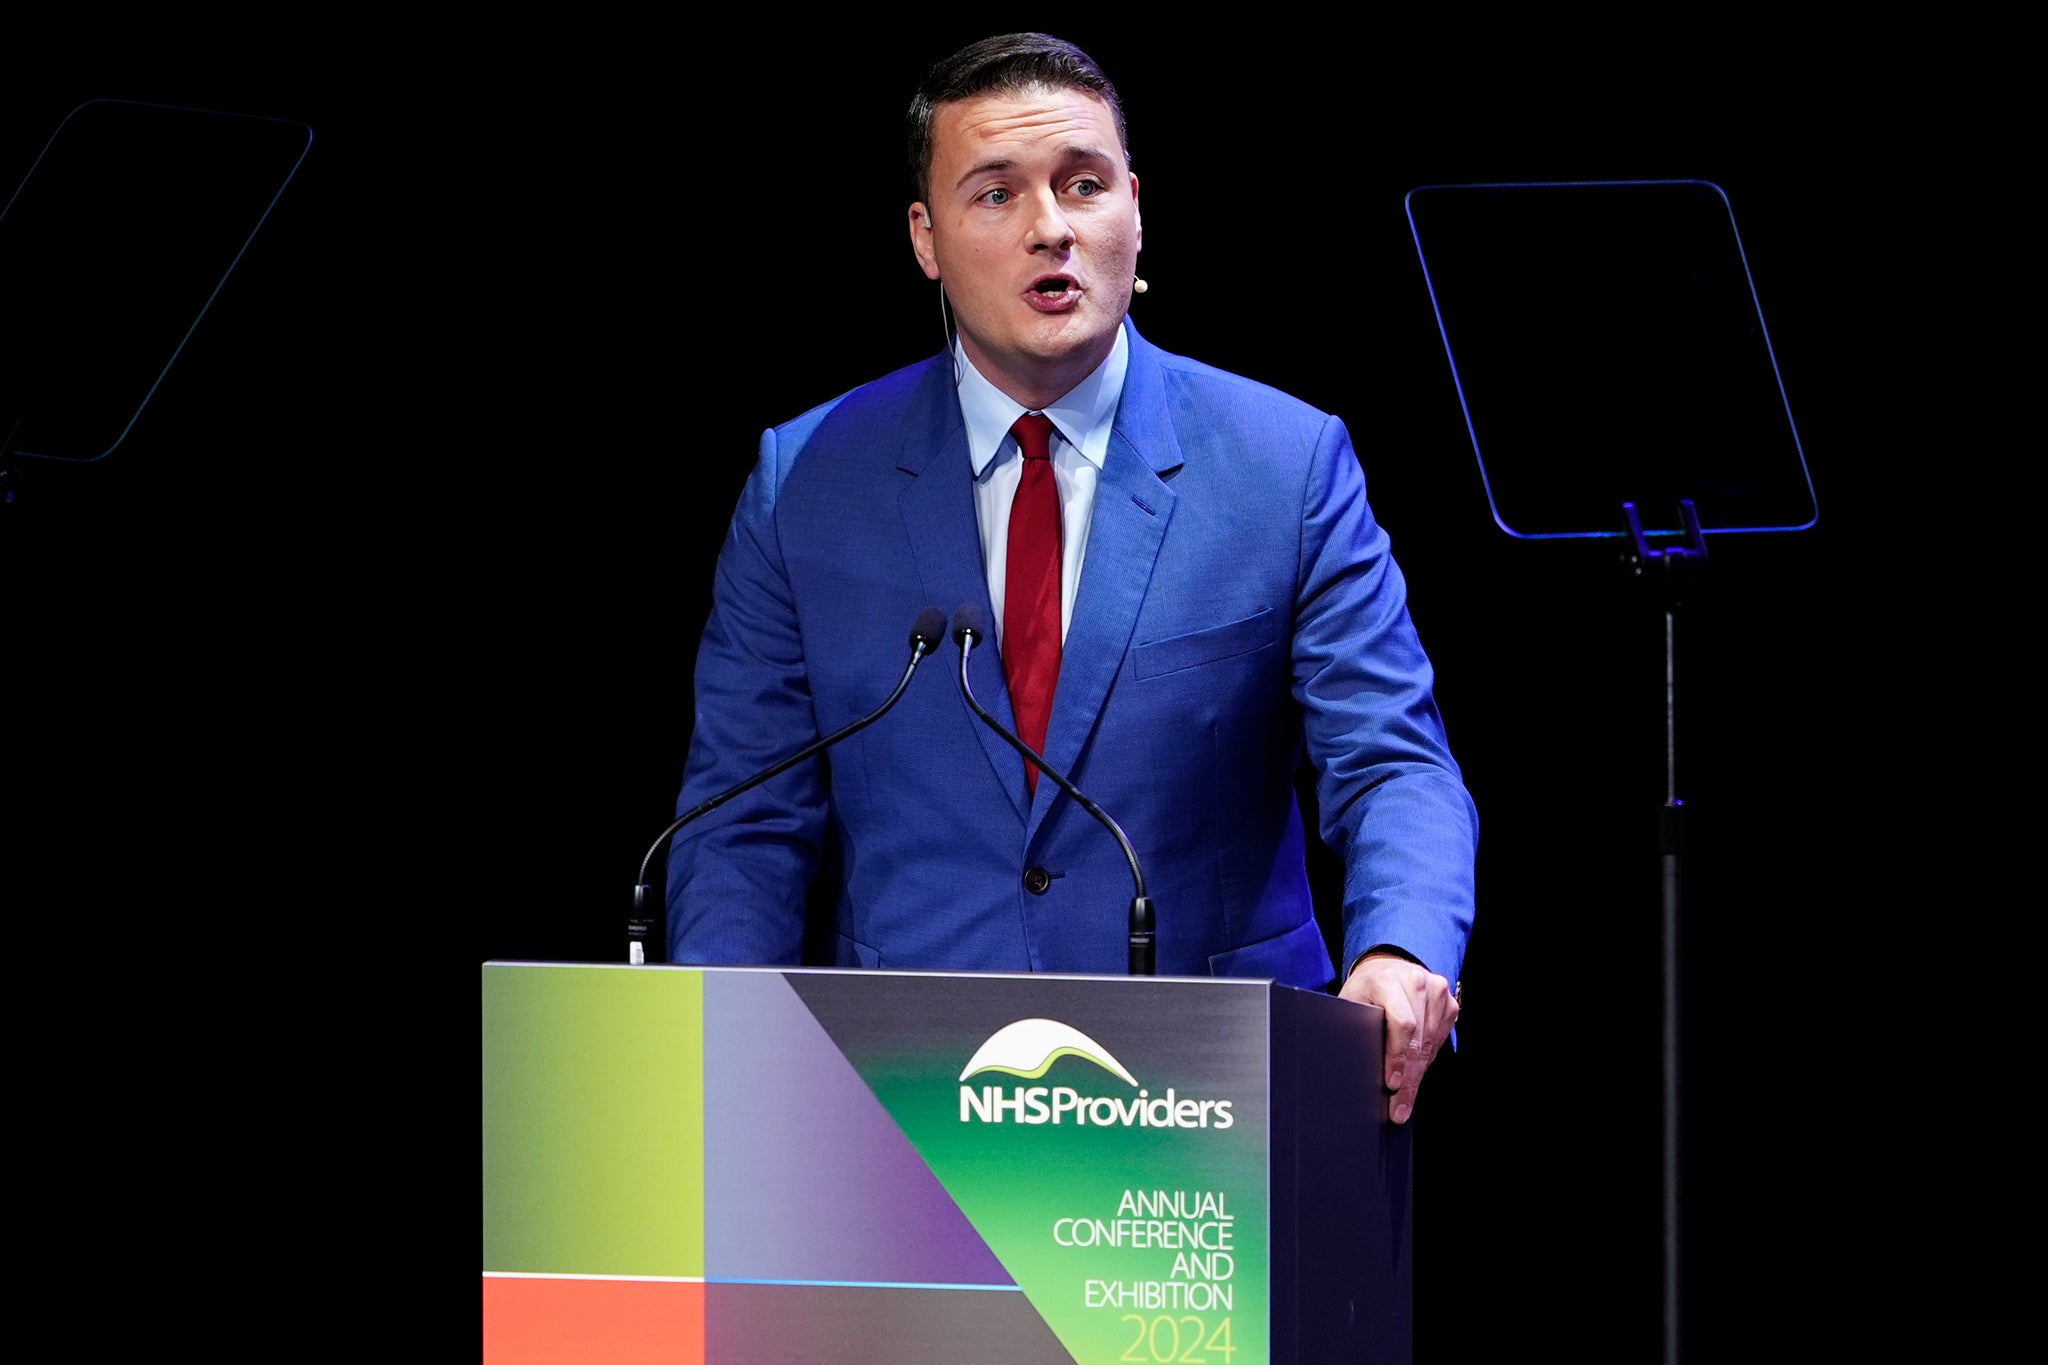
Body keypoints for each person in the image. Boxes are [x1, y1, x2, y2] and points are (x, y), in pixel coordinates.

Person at [667, 32, 1474, 1125]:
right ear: (926, 240)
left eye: (1082, 185)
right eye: (995, 194)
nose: (1052, 226)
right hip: (898, 1109)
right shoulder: (805, 479)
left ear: (1133, 208)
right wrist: (716, 1036)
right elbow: (742, 818)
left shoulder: (1284, 465)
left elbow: (1391, 763)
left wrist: (1397, 947)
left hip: (1214, 1106)